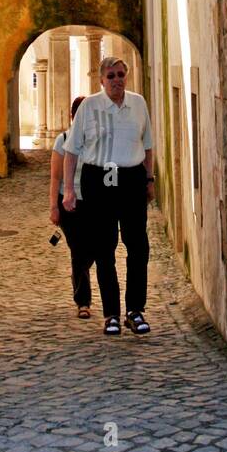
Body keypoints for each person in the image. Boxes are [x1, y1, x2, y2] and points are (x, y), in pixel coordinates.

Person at [62, 57, 154, 337]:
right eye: (111, 75)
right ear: (102, 80)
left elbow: (147, 145)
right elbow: (71, 150)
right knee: (105, 249)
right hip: (98, 180)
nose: (117, 80)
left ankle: (135, 311)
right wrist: (69, 190)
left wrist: (149, 180)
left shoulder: (138, 104)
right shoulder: (89, 107)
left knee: (138, 247)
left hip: (131, 179)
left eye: (121, 75)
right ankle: (111, 314)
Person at [49, 95, 94, 317]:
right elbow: (55, 177)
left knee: (94, 248)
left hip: (94, 202)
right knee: (78, 250)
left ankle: (81, 281)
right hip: (68, 202)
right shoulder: (63, 139)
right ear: (73, 116)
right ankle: (83, 301)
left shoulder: (97, 140)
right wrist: (53, 208)